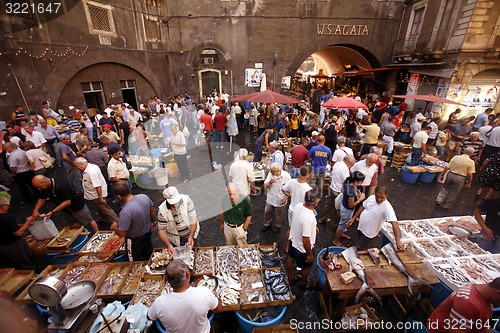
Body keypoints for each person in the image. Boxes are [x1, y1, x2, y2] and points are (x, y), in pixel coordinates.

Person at [148, 260, 222, 333]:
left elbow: (150, 316)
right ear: (187, 275)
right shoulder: (204, 293)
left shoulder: (159, 303)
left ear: (167, 280)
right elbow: (218, 309)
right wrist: (215, 296)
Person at [427, 278, 500, 333]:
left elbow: (483, 322)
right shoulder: (469, 304)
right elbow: (454, 331)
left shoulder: (486, 295)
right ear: (498, 293)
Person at [31, 175, 99, 232]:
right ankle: (82, 235)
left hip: (77, 207)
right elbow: (42, 198)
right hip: (66, 210)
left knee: (89, 221)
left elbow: (67, 202)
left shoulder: (61, 185)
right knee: (73, 224)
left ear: (44, 182)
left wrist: (53, 212)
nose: (39, 189)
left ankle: (98, 233)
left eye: (39, 187)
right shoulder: (45, 187)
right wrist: (35, 210)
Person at [348, 186, 404, 251]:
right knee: (359, 237)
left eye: (382, 197)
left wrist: (398, 241)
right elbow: (363, 206)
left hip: (369, 232)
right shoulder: (371, 198)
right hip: (361, 226)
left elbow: (394, 224)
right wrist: (354, 218)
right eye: (377, 196)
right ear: (375, 194)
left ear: (386, 196)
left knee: (359, 247)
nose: (379, 199)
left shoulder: (387, 208)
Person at [111, 182, 155, 261]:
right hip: (147, 233)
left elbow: (122, 233)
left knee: (135, 261)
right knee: (149, 254)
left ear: (119, 196)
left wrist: (115, 227)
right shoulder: (144, 197)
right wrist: (153, 221)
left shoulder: (125, 212)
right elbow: (152, 211)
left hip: (135, 240)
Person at [287, 190, 320, 290]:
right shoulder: (309, 217)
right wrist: (309, 254)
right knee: (306, 267)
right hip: (302, 249)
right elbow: (306, 239)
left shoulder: (298, 206)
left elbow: (299, 220)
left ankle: (291, 277)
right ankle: (303, 283)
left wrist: (313, 227)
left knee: (291, 259)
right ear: (316, 203)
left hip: (293, 241)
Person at [74, 157, 119, 225]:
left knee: (105, 209)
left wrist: (100, 197)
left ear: (80, 164)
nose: (78, 168)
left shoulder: (90, 172)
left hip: (97, 195)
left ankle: (117, 222)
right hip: (96, 194)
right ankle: (103, 219)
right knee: (101, 208)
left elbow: (97, 186)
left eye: (78, 166)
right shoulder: (92, 167)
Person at [157, 187, 200, 255]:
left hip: (192, 233)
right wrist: (169, 245)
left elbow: (193, 220)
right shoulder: (162, 210)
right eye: (172, 203)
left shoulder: (187, 200)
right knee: (180, 257)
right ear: (166, 200)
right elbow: (161, 231)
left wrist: (191, 236)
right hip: (176, 239)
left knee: (196, 253)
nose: (175, 205)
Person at [0, 191, 37, 270]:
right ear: (3, 206)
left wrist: (24, 225)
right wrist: (28, 221)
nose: (8, 207)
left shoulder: (4, 219)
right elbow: (18, 233)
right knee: (26, 266)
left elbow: (10, 227)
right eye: (8, 205)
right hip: (13, 248)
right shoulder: (4, 218)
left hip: (3, 249)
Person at [319, 155, 355, 224]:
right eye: (352, 163)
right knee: (338, 208)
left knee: (328, 205)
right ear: (348, 162)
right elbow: (346, 181)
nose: (353, 165)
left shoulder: (337, 164)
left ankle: (322, 219)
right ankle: (337, 225)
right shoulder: (345, 169)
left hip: (332, 187)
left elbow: (332, 174)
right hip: (338, 191)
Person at [333, 171, 366, 246]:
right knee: (341, 225)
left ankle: (341, 234)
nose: (363, 182)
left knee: (343, 223)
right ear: (356, 181)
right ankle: (336, 240)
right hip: (347, 210)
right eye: (362, 181)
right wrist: (360, 199)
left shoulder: (347, 183)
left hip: (343, 206)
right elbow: (351, 205)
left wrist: (356, 192)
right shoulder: (351, 192)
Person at [262, 163, 291, 233]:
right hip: (270, 198)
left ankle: (277, 225)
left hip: (280, 199)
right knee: (267, 212)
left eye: (272, 171)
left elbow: (290, 188)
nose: (271, 172)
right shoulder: (270, 174)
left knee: (279, 214)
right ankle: (267, 224)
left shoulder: (286, 176)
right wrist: (270, 182)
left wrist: (286, 197)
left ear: (278, 171)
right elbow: (265, 185)